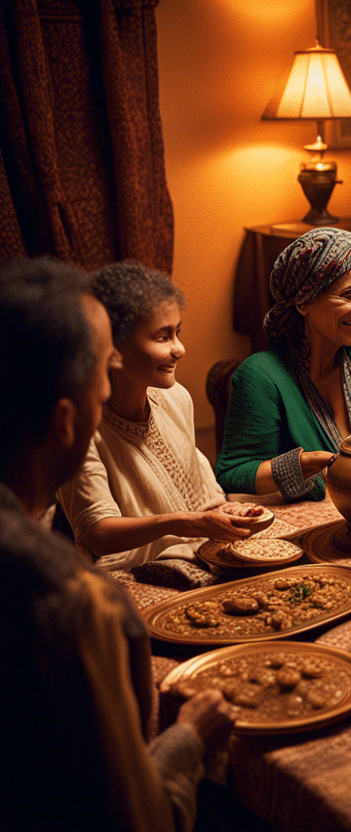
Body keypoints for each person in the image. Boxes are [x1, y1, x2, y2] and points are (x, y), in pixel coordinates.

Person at [0, 257, 233, 831]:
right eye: (102, 373)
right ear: (66, 420)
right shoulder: (76, 605)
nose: (106, 391)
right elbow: (140, 817)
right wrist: (186, 739)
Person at [57, 262, 263, 569]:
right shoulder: (81, 428)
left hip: (199, 557)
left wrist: (223, 515)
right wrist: (181, 523)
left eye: (177, 332)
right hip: (125, 578)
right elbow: (98, 533)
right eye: (163, 337)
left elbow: (199, 494)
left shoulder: (175, 397)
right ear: (112, 348)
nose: (179, 349)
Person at [216, 228, 351, 500]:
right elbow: (233, 475)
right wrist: (297, 467)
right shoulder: (260, 376)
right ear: (304, 301)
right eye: (350, 295)